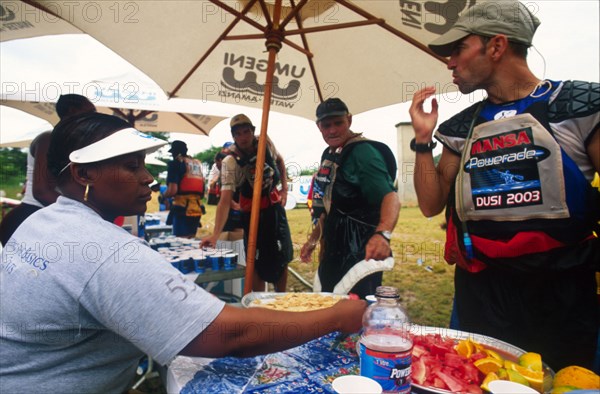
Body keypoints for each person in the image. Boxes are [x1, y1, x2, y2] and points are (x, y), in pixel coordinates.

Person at [0, 112, 367, 392]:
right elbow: (227, 336)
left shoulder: (40, 221)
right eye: (132, 166)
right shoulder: (106, 253)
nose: (148, 179)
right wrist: (337, 316)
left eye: (143, 164)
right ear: (83, 174)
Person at [408, 0, 599, 370]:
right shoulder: (458, 128)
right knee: (476, 380)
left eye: (458, 49)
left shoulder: (577, 106)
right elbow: (431, 204)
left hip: (563, 292)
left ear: (496, 47)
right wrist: (422, 138)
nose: (449, 62)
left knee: (565, 381)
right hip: (482, 293)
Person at [300, 98, 400, 299]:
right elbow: (326, 206)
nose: (332, 130)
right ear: (318, 126)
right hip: (335, 246)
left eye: (338, 123)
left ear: (349, 120)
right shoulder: (329, 155)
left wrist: (382, 234)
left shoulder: (363, 152)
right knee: (330, 303)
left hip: (360, 246)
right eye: (326, 125)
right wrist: (313, 240)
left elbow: (390, 197)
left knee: (355, 308)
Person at [201, 114, 292, 292]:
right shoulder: (230, 162)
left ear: (253, 132)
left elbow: (279, 160)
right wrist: (215, 235)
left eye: (246, 132)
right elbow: (225, 201)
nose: (243, 137)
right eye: (238, 134)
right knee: (254, 260)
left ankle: (282, 299)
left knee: (282, 257)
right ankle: (258, 303)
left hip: (274, 211)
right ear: (233, 136)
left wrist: (284, 189)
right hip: (251, 216)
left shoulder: (266, 143)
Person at [0, 94, 96, 246]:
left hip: (53, 216)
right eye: (90, 113)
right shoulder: (48, 139)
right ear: (72, 111)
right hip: (30, 217)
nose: (93, 118)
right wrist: (86, 212)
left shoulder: (74, 145)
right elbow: (41, 191)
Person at [163, 140, 205, 238]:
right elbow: (202, 191)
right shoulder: (196, 164)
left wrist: (163, 196)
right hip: (197, 208)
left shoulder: (175, 164)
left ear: (175, 152)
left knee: (180, 242)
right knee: (190, 239)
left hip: (181, 208)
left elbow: (172, 190)